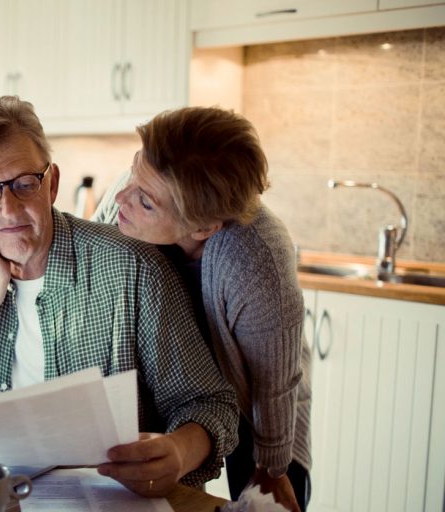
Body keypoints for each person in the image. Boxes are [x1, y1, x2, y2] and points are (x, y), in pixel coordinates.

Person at [0, 96, 238, 497]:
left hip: (107, 498)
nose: (9, 210)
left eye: (24, 184)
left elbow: (211, 404)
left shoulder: (132, 268)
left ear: (51, 183)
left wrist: (177, 451)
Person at [92, 106, 311, 511]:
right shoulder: (134, 192)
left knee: (265, 496)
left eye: (145, 202)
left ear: (204, 227)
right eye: (132, 170)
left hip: (256, 398)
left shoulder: (257, 258)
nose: (121, 196)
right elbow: (91, 261)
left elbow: (273, 381)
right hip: (180, 386)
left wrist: (273, 470)